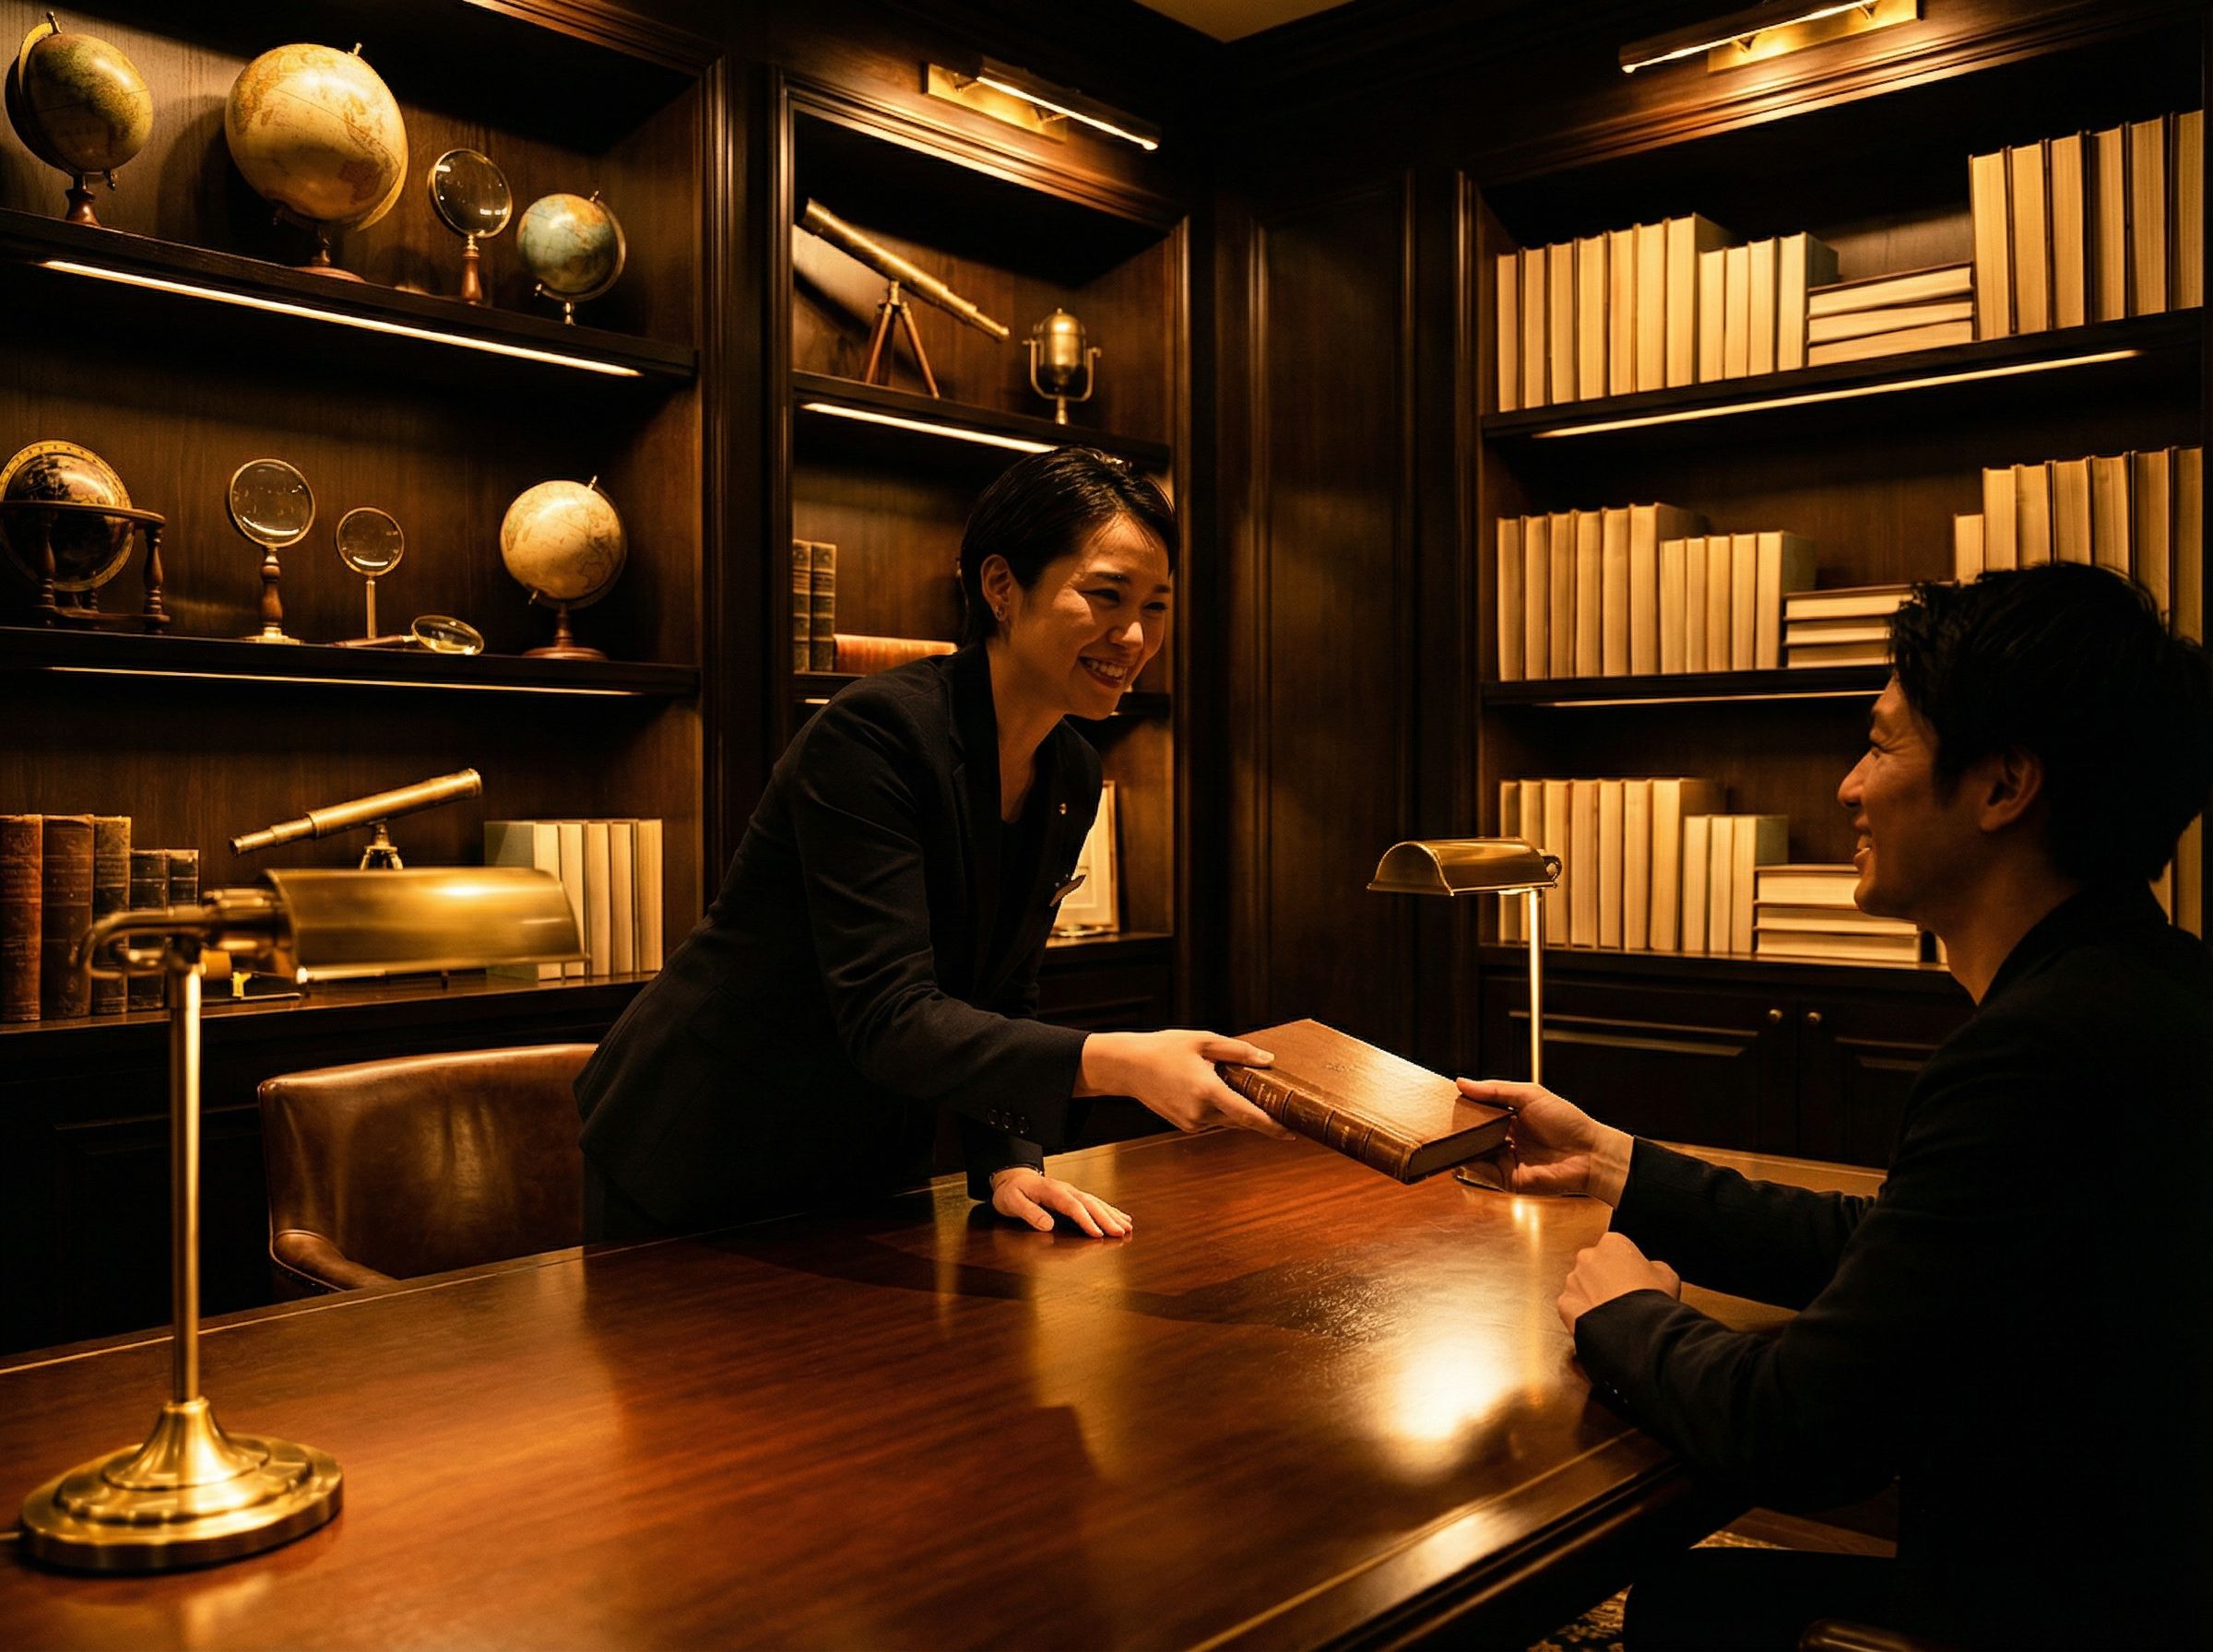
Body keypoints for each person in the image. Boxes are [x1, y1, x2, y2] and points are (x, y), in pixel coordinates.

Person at [1462, 564, 2213, 1650]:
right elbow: (1911, 1247)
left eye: (1883, 743)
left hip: (2049, 1616)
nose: (1851, 787)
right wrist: (1618, 1164)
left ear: (2004, 785)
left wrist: (1623, 1311)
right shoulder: (2150, 987)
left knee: (1686, 1615)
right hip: (2134, 1589)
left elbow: (1804, 1428)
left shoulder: (2036, 1052)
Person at [576, 446, 1292, 1244]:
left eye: (1156, 606)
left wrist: (1009, 1162)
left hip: (866, 1165)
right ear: (1000, 588)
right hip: (702, 1150)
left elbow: (998, 991)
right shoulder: (875, 734)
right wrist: (1120, 1062)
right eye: (1105, 596)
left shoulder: (1071, 770)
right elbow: (889, 1014)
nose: (1133, 636)